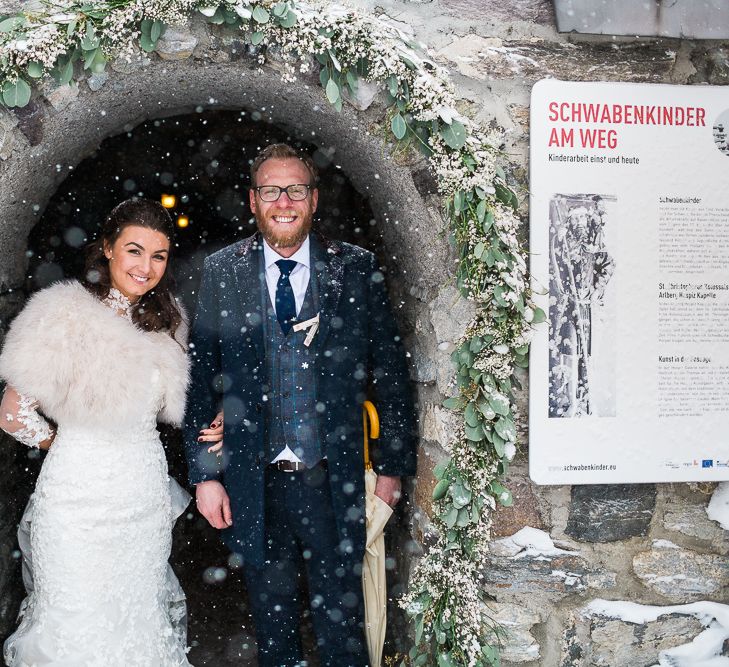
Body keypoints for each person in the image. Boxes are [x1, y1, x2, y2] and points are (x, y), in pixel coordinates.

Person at [184, 143, 416, 666]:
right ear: (252, 200)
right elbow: (201, 379)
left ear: (313, 200)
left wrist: (393, 468)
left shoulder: (356, 269)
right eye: (271, 190)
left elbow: (390, 374)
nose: (283, 201)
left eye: (295, 190)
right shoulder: (224, 271)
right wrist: (205, 475)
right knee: (273, 628)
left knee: (343, 630)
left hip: (333, 479)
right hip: (254, 479)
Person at [0, 199, 192, 666]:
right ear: (107, 249)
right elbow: (11, 413)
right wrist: (63, 444)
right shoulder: (64, 313)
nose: (146, 267)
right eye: (133, 250)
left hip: (142, 500)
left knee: (138, 622)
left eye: (159, 255)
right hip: (77, 502)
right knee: (78, 623)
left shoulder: (168, 321)